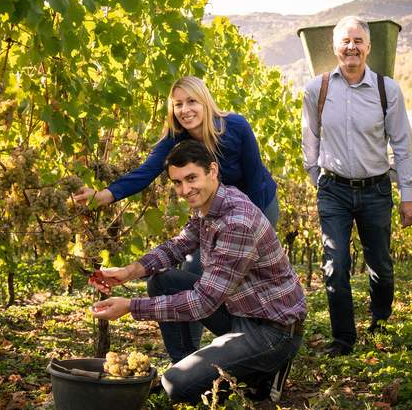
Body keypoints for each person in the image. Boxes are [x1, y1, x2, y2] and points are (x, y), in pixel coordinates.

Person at [73, 76, 279, 363]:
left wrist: (253, 228)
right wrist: (104, 196)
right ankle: (187, 359)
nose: (185, 109)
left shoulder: (236, 127)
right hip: (211, 210)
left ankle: (260, 343)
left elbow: (255, 179)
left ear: (205, 101)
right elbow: (145, 173)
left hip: (256, 207)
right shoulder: (175, 138)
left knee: (243, 277)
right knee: (195, 277)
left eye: (191, 101)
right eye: (178, 104)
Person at [89, 139, 305, 403]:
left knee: (175, 386)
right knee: (163, 281)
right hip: (241, 309)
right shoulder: (210, 205)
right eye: (177, 182)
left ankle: (266, 369)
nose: (185, 189)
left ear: (212, 170)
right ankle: (189, 365)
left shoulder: (236, 222)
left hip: (272, 330)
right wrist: (130, 271)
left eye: (191, 178)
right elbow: (180, 245)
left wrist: (131, 307)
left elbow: (203, 303)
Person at [301, 15, 412, 357]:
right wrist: (318, 181)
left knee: (380, 265)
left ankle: (380, 321)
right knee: (335, 265)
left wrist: (407, 197)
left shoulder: (387, 89)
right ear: (335, 47)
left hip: (376, 189)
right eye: (345, 41)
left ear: (368, 47)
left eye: (358, 41)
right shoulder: (317, 89)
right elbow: (311, 142)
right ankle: (343, 339)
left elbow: (402, 145)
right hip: (333, 190)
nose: (351, 47)